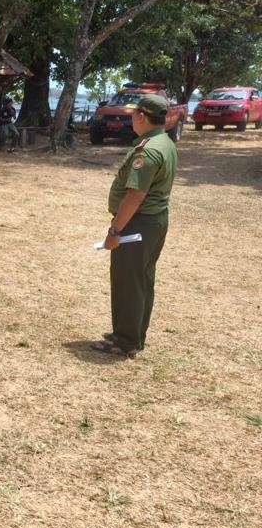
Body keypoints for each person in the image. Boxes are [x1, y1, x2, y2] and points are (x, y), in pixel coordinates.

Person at [92, 94, 177, 357]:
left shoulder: (148, 150)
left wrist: (114, 231)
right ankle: (131, 332)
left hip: (137, 223)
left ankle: (126, 341)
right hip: (153, 222)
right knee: (141, 280)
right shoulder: (165, 142)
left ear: (141, 116)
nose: (132, 118)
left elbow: (135, 195)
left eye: (133, 113)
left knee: (129, 281)